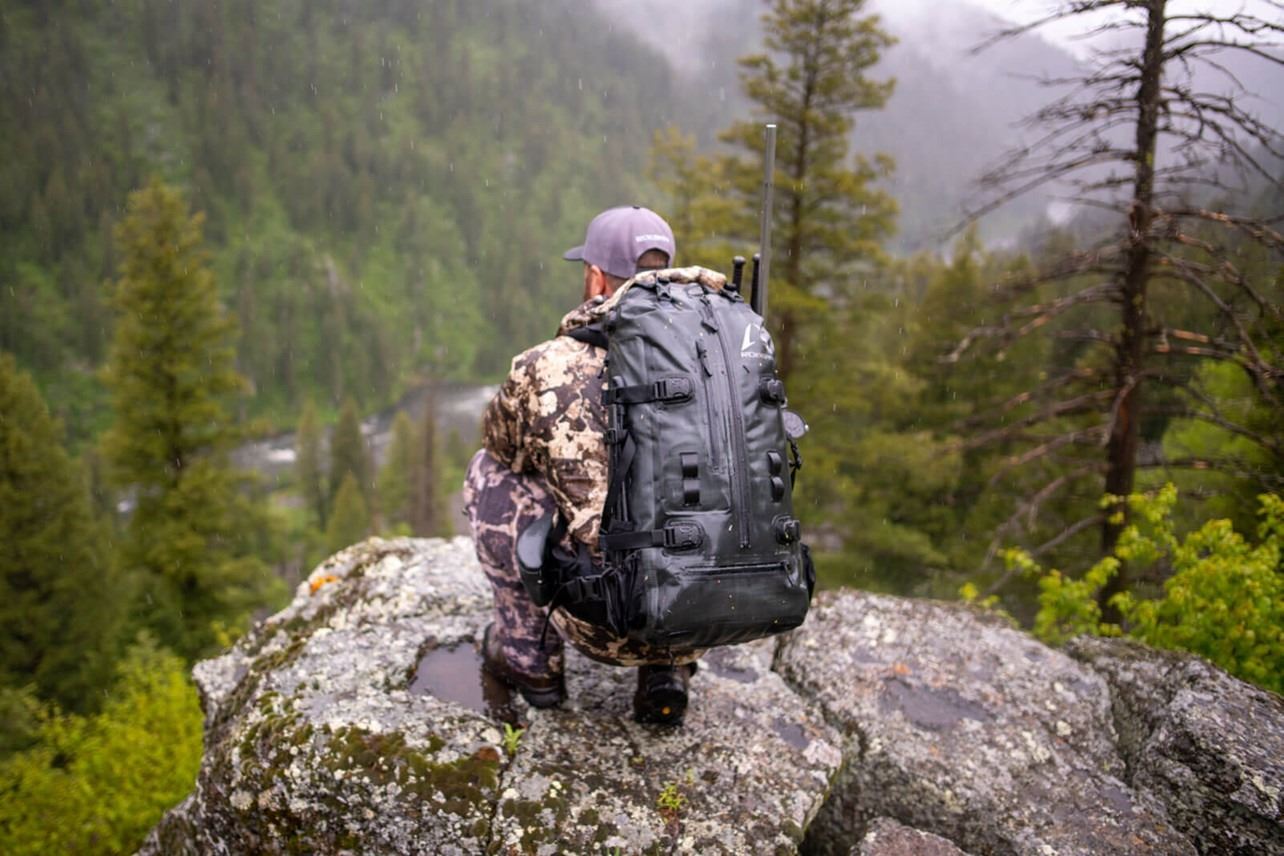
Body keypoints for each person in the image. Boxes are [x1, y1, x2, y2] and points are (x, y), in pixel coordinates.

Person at [463, 205, 722, 725]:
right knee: (688, 494)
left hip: (600, 621)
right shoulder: (718, 358)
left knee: (489, 474)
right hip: (706, 612)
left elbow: (501, 446)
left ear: (596, 278)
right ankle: (667, 669)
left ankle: (530, 661)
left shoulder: (545, 366)